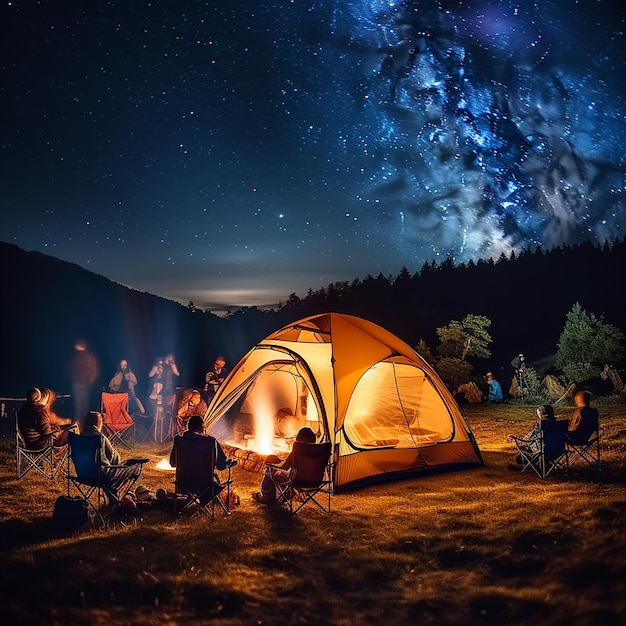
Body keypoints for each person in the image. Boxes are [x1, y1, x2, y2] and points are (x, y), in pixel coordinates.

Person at [169, 414, 234, 497]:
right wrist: (229, 464)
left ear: (188, 426)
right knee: (215, 482)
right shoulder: (210, 441)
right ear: (201, 427)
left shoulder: (179, 440)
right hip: (205, 485)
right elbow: (221, 466)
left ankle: (186, 503)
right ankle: (204, 503)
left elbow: (173, 463)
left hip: (183, 484)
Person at [252, 426, 316, 504]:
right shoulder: (317, 453)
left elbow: (285, 467)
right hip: (313, 481)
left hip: (295, 480)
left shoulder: (298, 448)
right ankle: (280, 495)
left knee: (270, 469)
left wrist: (273, 464)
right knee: (278, 471)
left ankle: (266, 496)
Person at [69, 339, 99, 426]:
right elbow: (71, 367)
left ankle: (82, 423)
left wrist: (90, 380)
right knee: (79, 404)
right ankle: (79, 423)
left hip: (83, 383)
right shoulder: (77, 355)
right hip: (77, 382)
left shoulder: (87, 356)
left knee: (82, 404)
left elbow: (93, 370)